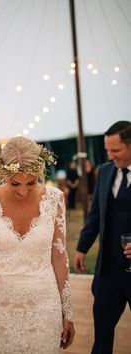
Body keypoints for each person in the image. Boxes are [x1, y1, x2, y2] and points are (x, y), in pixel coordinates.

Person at [0, 136, 75, 353]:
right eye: (14, 183)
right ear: (1, 174)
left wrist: (68, 312)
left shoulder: (54, 198)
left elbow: (59, 257)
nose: (23, 191)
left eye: (32, 182)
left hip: (44, 306)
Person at [73, 121, 131, 354]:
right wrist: (81, 248)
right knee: (102, 336)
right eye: (108, 150)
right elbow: (96, 214)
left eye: (115, 150)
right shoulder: (105, 171)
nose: (110, 155)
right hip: (108, 268)